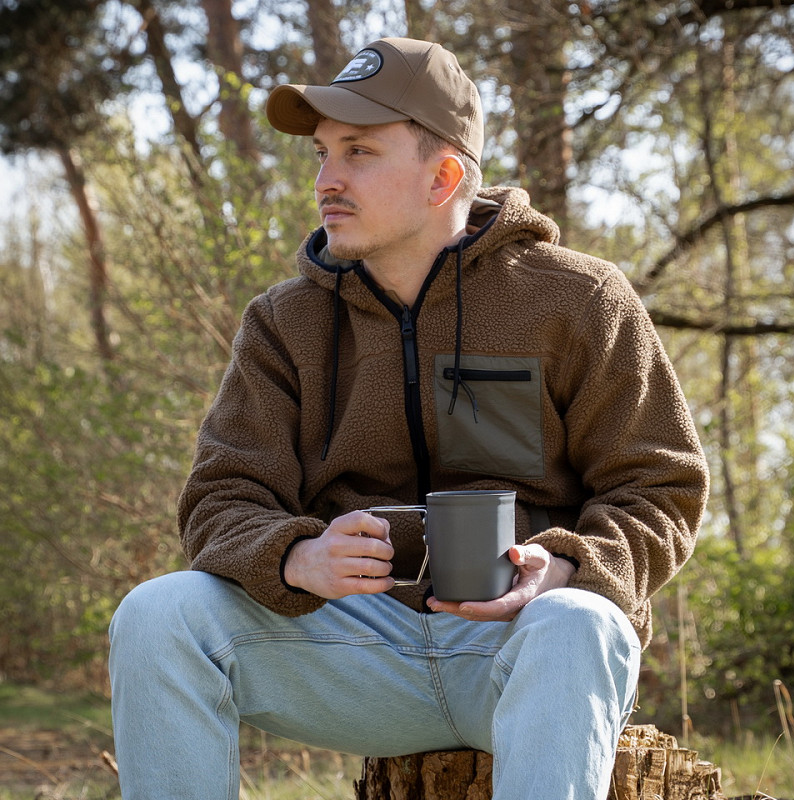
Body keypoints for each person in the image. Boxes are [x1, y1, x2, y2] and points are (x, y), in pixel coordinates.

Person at [108, 37, 709, 799]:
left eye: (358, 152)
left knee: (579, 621)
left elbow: (661, 487)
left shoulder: (579, 299)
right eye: (322, 153)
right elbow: (220, 498)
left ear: (443, 176)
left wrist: (564, 569)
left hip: (525, 651)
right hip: (351, 653)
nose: (326, 180)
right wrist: (297, 557)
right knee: (158, 614)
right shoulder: (283, 323)